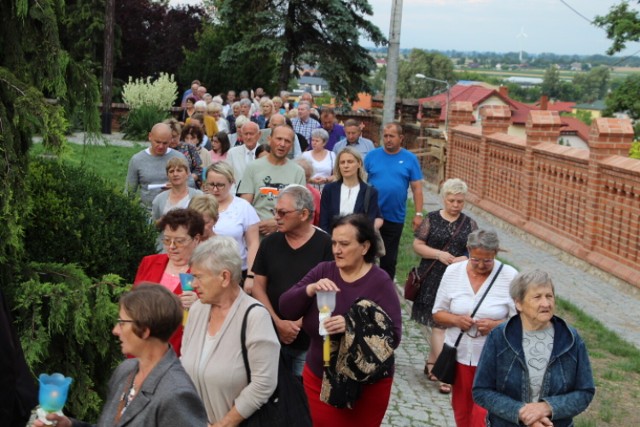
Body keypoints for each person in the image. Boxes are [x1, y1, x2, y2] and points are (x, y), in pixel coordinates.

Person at [279, 214, 402, 426]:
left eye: (344, 244)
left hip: (363, 387)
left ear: (364, 247)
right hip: (318, 376)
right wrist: (310, 289)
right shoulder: (324, 271)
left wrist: (351, 326)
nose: (337, 250)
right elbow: (286, 307)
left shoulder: (379, 281)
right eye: (334, 243)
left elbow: (393, 335)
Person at [35, 285, 208, 427]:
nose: (115, 331)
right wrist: (69, 426)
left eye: (122, 323)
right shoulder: (125, 371)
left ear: (145, 330)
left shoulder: (176, 394)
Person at [473, 270, 595, 427]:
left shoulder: (570, 339)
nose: (546, 303)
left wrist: (546, 407)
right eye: (537, 297)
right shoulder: (499, 336)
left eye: (549, 296)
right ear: (519, 303)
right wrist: (522, 413)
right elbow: (482, 391)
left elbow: (585, 392)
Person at [181, 237, 280, 426]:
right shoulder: (197, 310)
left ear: (225, 277)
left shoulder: (255, 317)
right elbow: (184, 360)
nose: (193, 284)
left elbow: (263, 384)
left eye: (199, 277)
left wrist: (224, 423)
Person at [432, 229, 518, 427]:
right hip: (459, 355)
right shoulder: (453, 272)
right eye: (475, 259)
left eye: (487, 261)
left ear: (495, 253)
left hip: (493, 359)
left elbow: (521, 321)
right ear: (469, 250)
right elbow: (437, 313)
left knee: (483, 415)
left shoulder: (510, 276)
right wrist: (456, 320)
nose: (480, 265)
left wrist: (496, 325)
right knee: (461, 411)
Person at [251, 185, 333, 376]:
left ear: (304, 214)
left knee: (301, 397)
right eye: (275, 211)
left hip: (308, 341)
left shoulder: (326, 245)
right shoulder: (270, 243)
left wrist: (296, 325)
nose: (276, 217)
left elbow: (328, 294)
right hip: (269, 336)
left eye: (283, 212)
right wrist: (278, 322)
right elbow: (258, 287)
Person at [411, 178, 478, 394]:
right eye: (452, 200)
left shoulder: (469, 224)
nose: (456, 205)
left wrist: (463, 259)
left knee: (446, 326)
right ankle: (443, 373)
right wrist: (439, 254)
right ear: (444, 198)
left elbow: (476, 252)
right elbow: (417, 245)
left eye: (460, 201)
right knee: (437, 325)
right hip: (431, 277)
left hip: (457, 280)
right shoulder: (431, 219)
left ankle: (432, 364)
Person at [133, 209, 203, 356]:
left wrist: (199, 304)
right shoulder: (149, 262)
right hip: (142, 347)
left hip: (181, 351)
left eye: (179, 241)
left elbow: (219, 312)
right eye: (166, 240)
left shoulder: (205, 271)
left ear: (196, 239)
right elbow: (133, 303)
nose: (171, 246)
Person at [364, 122, 423, 281]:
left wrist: (418, 214)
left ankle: (385, 290)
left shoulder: (410, 159)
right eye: (385, 136)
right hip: (370, 215)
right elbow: (361, 181)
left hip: (394, 216)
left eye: (392, 136)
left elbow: (417, 188)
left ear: (401, 138)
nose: (388, 139)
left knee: (389, 260)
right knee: (366, 256)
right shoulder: (371, 156)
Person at [238, 125, 306, 237]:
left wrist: (278, 223)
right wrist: (256, 225)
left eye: (287, 141)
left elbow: (300, 210)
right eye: (279, 139)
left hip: (286, 236)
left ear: (292, 145)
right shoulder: (253, 167)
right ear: (269, 140)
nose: (282, 144)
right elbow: (244, 205)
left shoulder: (298, 172)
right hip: (257, 233)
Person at [203, 162, 260, 291]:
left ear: (231, 183)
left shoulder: (243, 207)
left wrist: (251, 276)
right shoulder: (198, 204)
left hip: (236, 272)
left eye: (220, 185)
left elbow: (253, 244)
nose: (215, 189)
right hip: (206, 270)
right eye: (211, 184)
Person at [125, 122, 193, 213]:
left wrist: (177, 185)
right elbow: (130, 191)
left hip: (176, 211)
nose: (161, 146)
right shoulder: (137, 160)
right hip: (148, 210)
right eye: (157, 142)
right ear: (150, 137)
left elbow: (191, 183)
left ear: (171, 140)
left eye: (165, 143)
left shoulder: (179, 157)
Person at [319, 147, 382, 233]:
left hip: (357, 242)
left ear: (359, 163)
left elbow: (369, 223)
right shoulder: (329, 190)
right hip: (332, 241)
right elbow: (323, 221)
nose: (346, 166)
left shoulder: (371, 192)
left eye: (350, 162)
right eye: (342, 162)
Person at [151, 157, 202, 223]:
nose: (175, 174)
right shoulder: (159, 199)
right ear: (167, 175)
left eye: (179, 170)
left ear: (187, 174)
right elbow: (153, 226)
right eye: (171, 171)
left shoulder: (198, 196)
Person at [166, 119, 203, 187]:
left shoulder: (189, 148)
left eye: (175, 136)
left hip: (187, 186)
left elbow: (199, 169)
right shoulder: (162, 150)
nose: (172, 140)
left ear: (179, 134)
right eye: (170, 137)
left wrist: (187, 180)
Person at [295, 158, 321, 226]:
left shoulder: (315, 193)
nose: (304, 180)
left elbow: (318, 217)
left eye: (307, 178)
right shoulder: (286, 191)